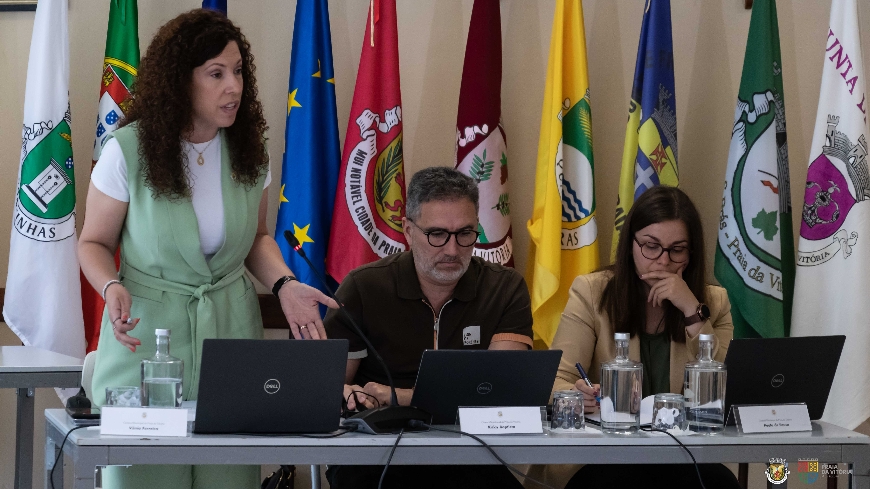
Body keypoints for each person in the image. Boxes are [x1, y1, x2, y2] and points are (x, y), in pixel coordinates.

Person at [79, 10, 336, 488]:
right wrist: (110, 283)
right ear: (180, 81)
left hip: (230, 334)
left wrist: (284, 284)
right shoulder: (128, 150)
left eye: (238, 71)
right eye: (216, 74)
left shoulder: (249, 149)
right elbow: (93, 242)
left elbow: (257, 238)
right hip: (148, 342)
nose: (233, 86)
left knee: (228, 477)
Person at [324, 166, 532, 489]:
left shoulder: (504, 289)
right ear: (408, 231)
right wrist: (346, 394)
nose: (452, 250)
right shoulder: (364, 288)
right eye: (437, 234)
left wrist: (398, 398)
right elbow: (326, 388)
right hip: (375, 456)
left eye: (465, 234)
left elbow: (501, 392)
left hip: (470, 453)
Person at [543, 186, 740, 489]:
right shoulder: (592, 292)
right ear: (631, 244)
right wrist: (575, 394)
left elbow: (724, 388)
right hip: (606, 455)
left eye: (677, 250)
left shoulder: (713, 302)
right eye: (651, 246)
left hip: (684, 457)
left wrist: (691, 310)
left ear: (691, 253)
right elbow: (556, 379)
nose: (662, 261)